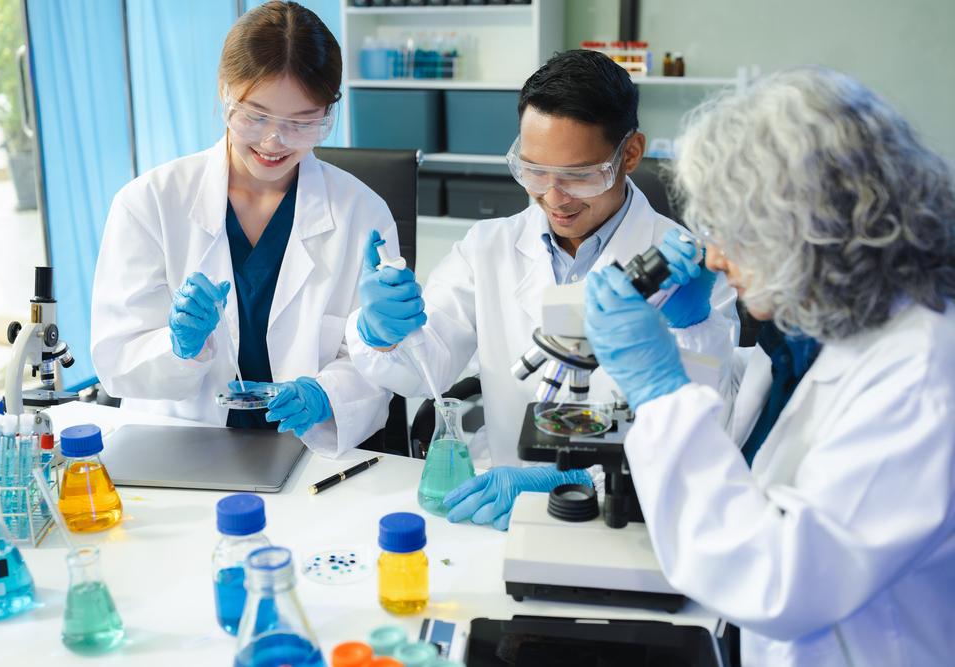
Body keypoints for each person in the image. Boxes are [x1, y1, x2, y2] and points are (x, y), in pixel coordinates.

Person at [584, 67, 955, 665]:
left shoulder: (922, 375)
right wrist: (687, 331)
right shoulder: (842, 328)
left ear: (809, 229)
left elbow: (776, 577)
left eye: (733, 232)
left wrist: (658, 391)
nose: (713, 254)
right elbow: (743, 448)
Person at [346, 50, 739, 529]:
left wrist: (695, 326)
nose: (554, 197)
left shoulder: (688, 269)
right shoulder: (486, 249)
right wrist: (382, 330)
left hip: (639, 514)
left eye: (577, 175)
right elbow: (421, 371)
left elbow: (709, 431)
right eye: (534, 171)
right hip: (504, 506)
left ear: (630, 154)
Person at [91, 2, 397, 455]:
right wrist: (180, 349)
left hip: (309, 456)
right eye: (255, 116)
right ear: (224, 92)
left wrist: (326, 394)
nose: (274, 142)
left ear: (327, 113)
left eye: (301, 122)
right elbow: (117, 362)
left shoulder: (362, 214)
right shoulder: (149, 203)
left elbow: (376, 362)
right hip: (178, 449)